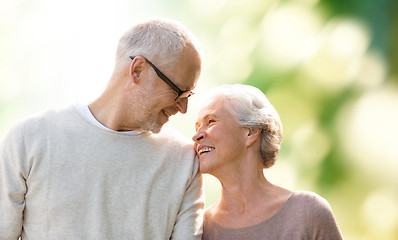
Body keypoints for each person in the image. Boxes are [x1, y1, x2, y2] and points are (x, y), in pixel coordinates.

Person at [0, 18, 204, 239]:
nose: (184, 108)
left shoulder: (185, 162)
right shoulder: (29, 139)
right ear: (137, 70)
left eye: (189, 96)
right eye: (179, 92)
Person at [192, 84, 343, 240]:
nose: (196, 136)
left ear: (250, 132)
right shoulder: (199, 229)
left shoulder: (308, 212)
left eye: (210, 121)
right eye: (196, 127)